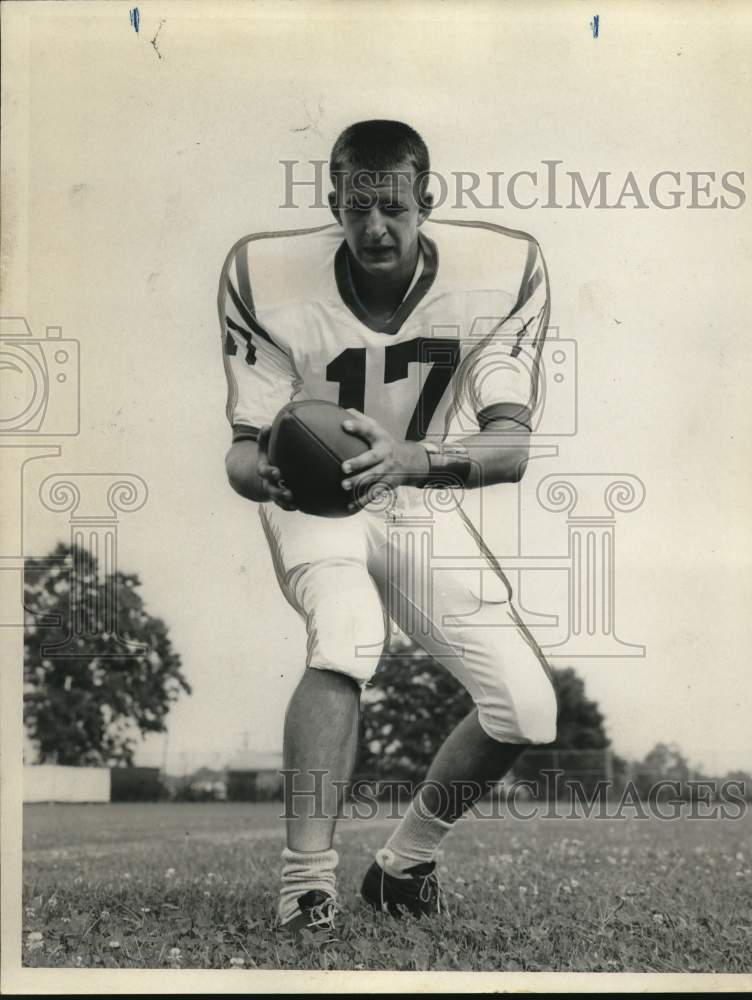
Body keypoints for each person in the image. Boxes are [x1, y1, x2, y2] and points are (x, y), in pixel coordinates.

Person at [220, 120, 558, 938]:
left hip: (418, 492)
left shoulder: (500, 270)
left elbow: (510, 448)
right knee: (347, 637)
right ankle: (307, 884)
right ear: (333, 201)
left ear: (426, 203)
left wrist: (416, 462)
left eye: (395, 208)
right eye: (357, 206)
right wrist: (258, 473)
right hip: (316, 500)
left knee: (528, 709)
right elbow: (238, 451)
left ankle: (402, 867)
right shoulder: (263, 274)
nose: (375, 227)